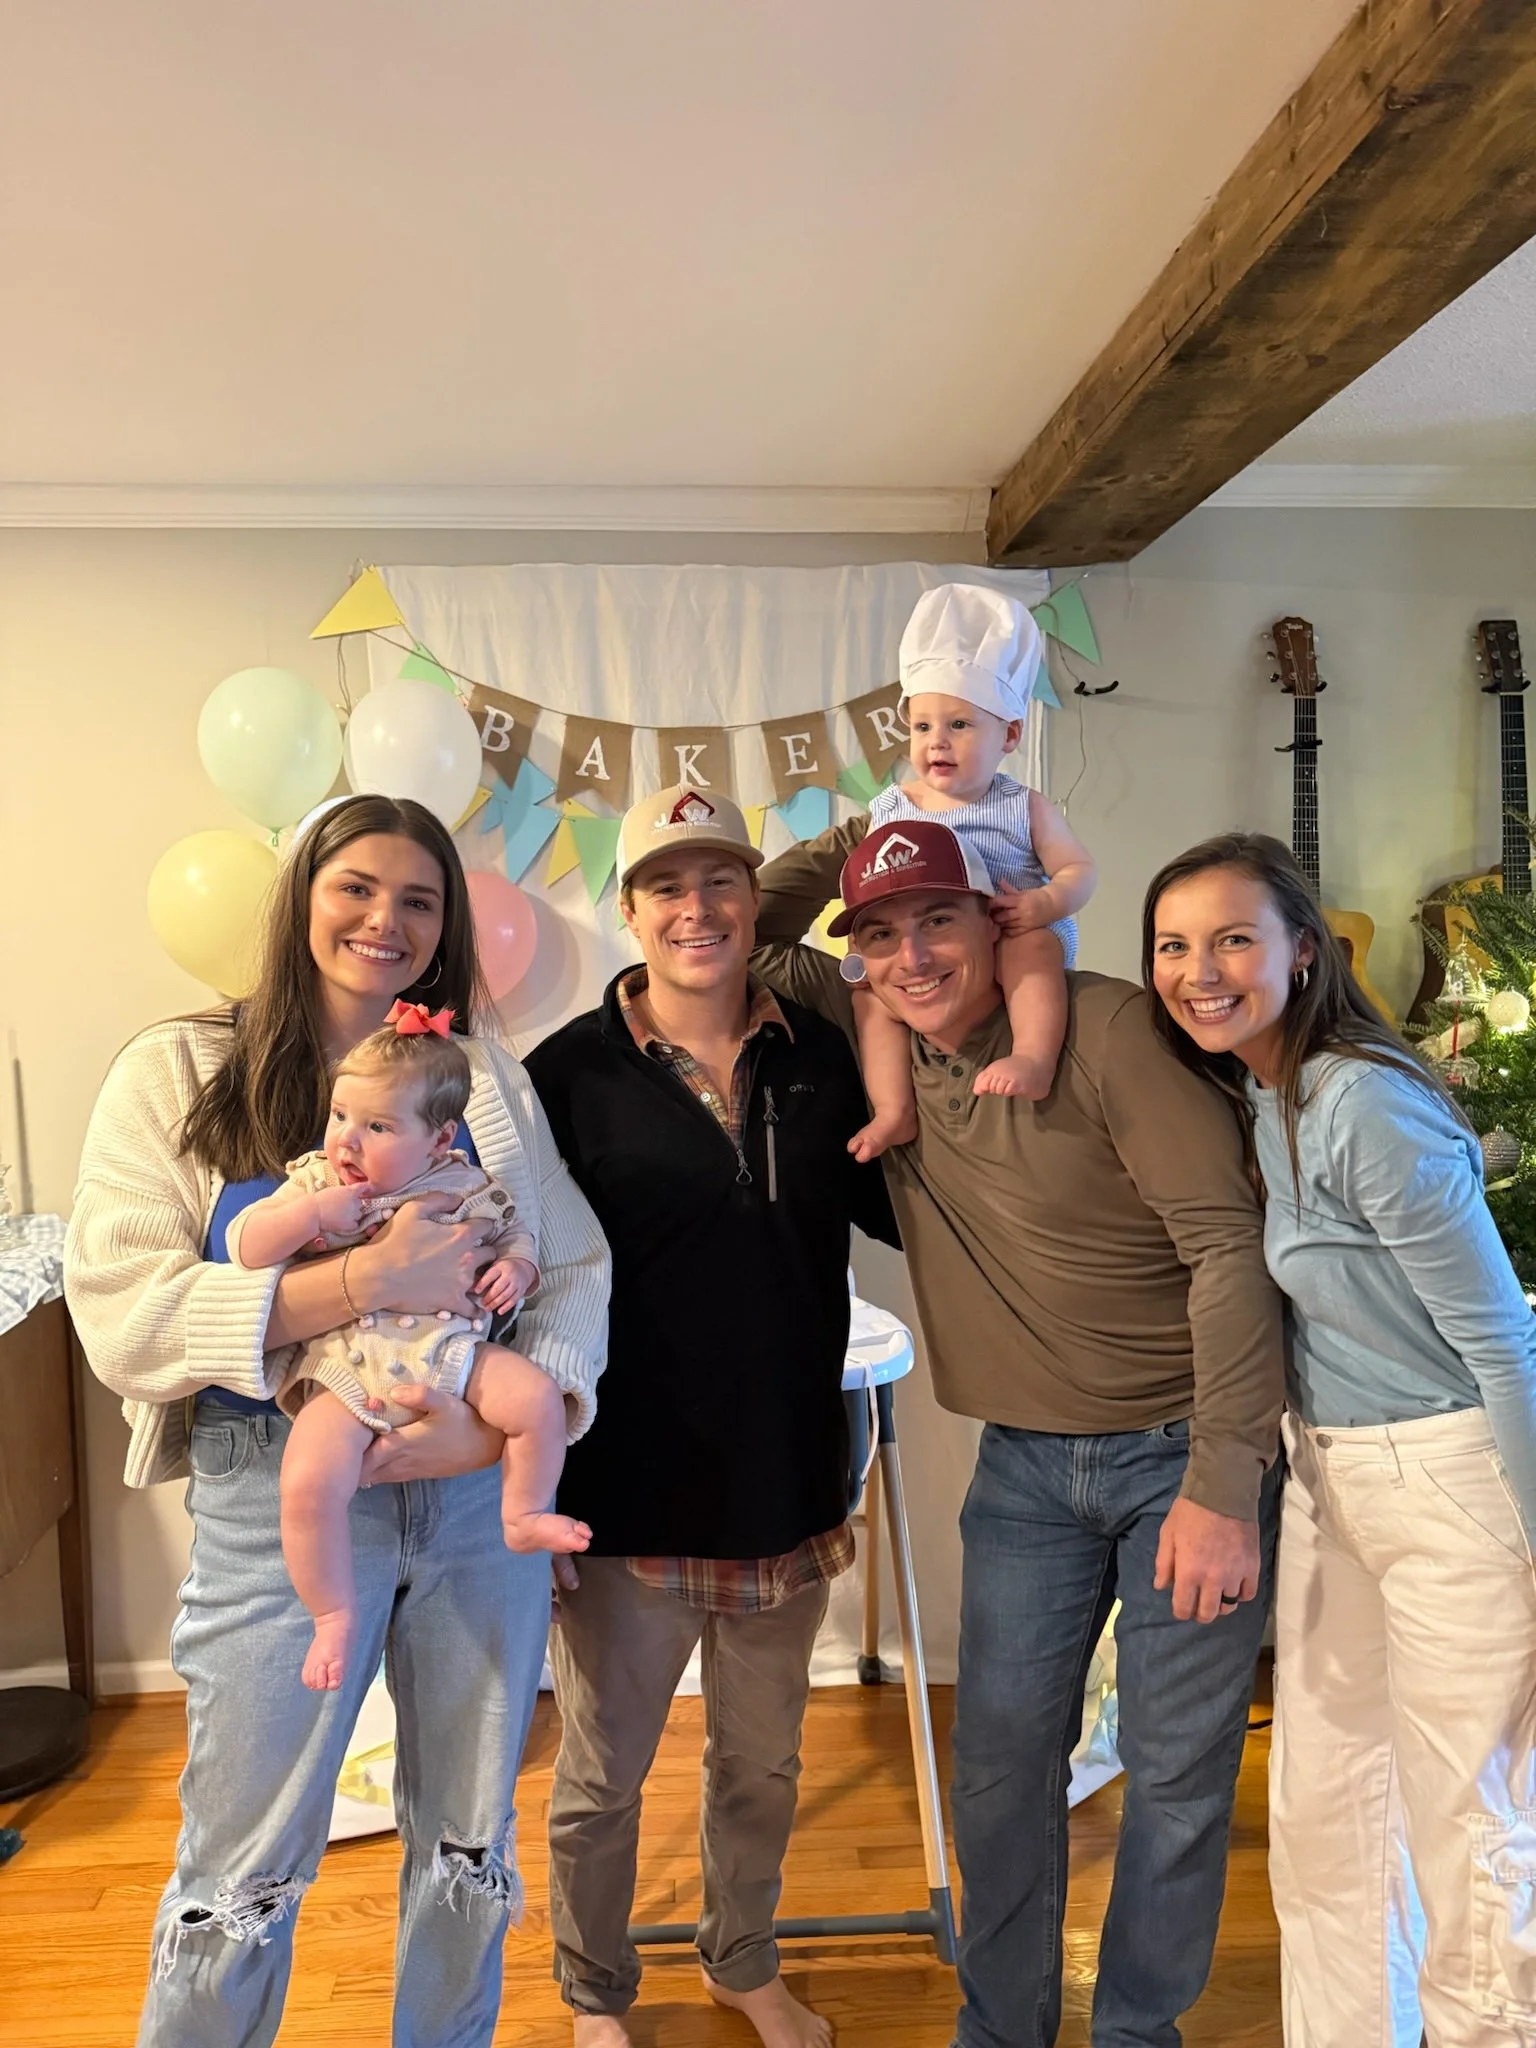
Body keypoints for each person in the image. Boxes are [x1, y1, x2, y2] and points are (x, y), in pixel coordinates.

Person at [63, 792, 610, 2048]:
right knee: (241, 1875)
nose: (386, 919)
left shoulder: (484, 1083)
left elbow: (575, 1265)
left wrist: (507, 1423)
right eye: (356, 885)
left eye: (420, 898)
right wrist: (362, 1279)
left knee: (470, 1847)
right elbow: (124, 1308)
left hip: (474, 1499)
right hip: (286, 1486)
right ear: (301, 892)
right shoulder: (181, 1071)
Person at [750, 812, 1285, 2048]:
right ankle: (1002, 2028)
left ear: (1002, 916)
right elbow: (761, 927)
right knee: (996, 1772)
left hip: (1182, 1455)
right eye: (880, 934)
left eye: (940, 916)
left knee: (1176, 1771)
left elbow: (1226, 1246)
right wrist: (868, 818)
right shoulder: (879, 1051)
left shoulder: (1103, 1030)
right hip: (1026, 1469)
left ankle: (1138, 2029)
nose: (914, 954)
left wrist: (1222, 1476)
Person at [1144, 831, 1536, 2048]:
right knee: (1329, 1808)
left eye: (1232, 938)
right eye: (1173, 944)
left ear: (1303, 950)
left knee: (1464, 1820)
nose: (1198, 969)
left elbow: (1503, 1340)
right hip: (1329, 1469)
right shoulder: (1263, 1088)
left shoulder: (1367, 1102)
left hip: (1455, 1476)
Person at [524, 784, 899, 2048]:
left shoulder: (826, 1051)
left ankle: (744, 1958)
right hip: (629, 1500)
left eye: (721, 879)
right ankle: (595, 1991)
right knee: (601, 1780)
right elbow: (517, 1283)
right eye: (668, 887)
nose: (699, 908)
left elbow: (902, 1210)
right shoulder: (560, 1079)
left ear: (755, 897)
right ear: (628, 910)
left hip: (790, 1484)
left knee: (762, 1768)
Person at [229, 1001, 589, 1693]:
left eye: (378, 1126)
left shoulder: (464, 1184)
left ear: (439, 1137)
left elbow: (519, 1239)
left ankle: (524, 1513)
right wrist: (308, 1216)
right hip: (346, 1372)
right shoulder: (317, 1184)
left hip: (452, 1355)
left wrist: (516, 1269)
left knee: (538, 1400)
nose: (347, 1140)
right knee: (306, 1482)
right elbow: (247, 1246)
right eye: (340, 1116)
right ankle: (333, 1614)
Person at [848, 583, 1096, 1160]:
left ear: (1009, 735)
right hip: (930, 943)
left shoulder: (1021, 804)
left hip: (1012, 927)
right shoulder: (889, 808)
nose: (938, 742)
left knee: (1032, 951)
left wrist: (1046, 904)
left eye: (960, 725)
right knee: (869, 996)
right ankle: (894, 1109)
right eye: (922, 727)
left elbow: (1079, 869)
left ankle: (1033, 1056)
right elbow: (874, 884)